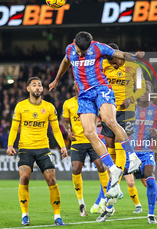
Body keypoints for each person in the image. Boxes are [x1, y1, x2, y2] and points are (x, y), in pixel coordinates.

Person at [49, 31, 143, 198]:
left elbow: (119, 54)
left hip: (101, 90)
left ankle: (133, 156)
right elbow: (65, 62)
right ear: (74, 43)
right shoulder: (70, 50)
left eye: (83, 52)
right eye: (79, 51)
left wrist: (134, 56)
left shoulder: (99, 47)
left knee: (109, 120)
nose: (80, 54)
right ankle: (113, 170)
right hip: (84, 96)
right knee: (89, 132)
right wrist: (56, 80)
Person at [97, 81, 157, 223]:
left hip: (146, 152)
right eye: (141, 90)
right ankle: (107, 209)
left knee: (150, 178)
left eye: (147, 90)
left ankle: (151, 215)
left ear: (151, 92)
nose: (144, 93)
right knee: (114, 177)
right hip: (128, 152)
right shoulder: (128, 110)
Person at [7, 77, 68, 226]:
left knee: (52, 180)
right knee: (24, 178)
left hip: (43, 149)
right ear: (28, 89)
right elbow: (14, 128)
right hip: (25, 148)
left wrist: (62, 146)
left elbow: (55, 129)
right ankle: (25, 215)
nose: (37, 87)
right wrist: (10, 145)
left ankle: (57, 216)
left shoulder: (49, 107)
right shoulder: (20, 107)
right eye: (34, 85)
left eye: (39, 85)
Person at [100, 43, 146, 213]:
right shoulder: (104, 65)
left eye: (114, 60)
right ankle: (113, 180)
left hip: (127, 111)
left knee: (120, 146)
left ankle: (114, 184)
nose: (112, 64)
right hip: (108, 109)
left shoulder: (135, 67)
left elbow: (141, 89)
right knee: (110, 146)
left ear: (120, 55)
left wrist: (131, 98)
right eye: (109, 60)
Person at [62, 82, 109, 216]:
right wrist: (68, 131)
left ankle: (106, 202)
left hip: (93, 139)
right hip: (77, 142)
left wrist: (92, 123)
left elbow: (102, 118)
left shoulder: (92, 101)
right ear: (74, 87)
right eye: (77, 85)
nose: (79, 87)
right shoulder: (68, 103)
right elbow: (65, 121)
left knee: (101, 167)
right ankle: (81, 203)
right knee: (76, 169)